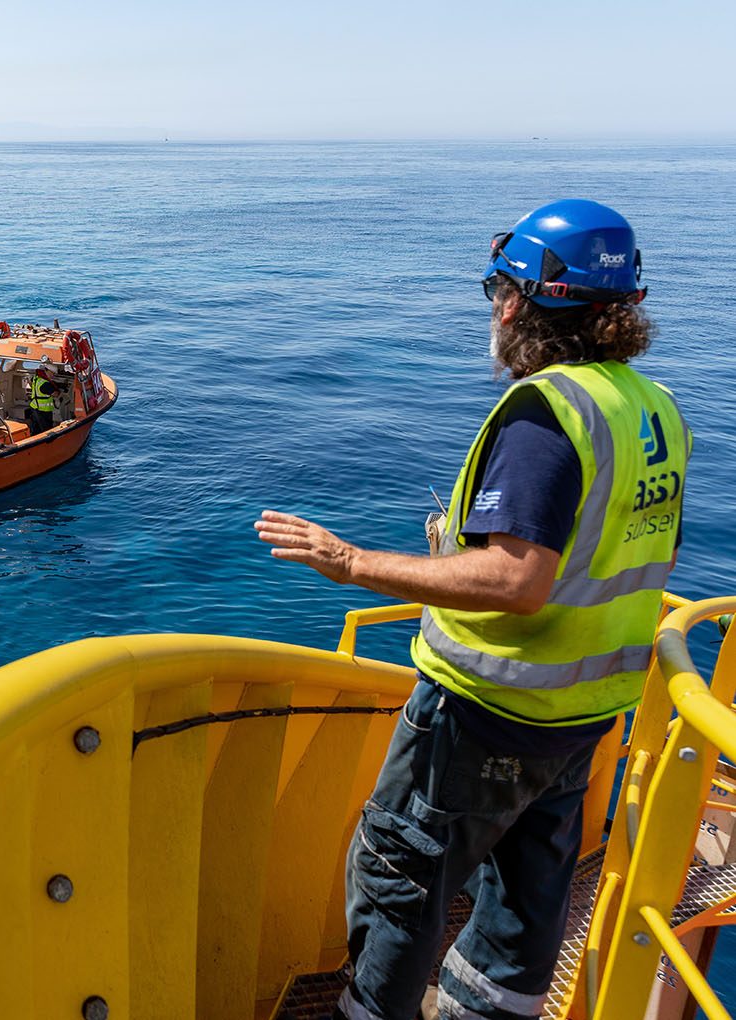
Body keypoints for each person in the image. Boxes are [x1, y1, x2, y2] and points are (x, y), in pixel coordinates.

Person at [254, 199, 690, 1020]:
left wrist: (350, 563)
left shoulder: (545, 416)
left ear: (524, 301)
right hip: (585, 712)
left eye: (498, 289)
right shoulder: (652, 408)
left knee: (400, 875)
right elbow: (637, 552)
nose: (494, 308)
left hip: (488, 710)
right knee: (526, 900)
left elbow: (518, 580)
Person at [25, 365, 66, 435]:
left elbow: (31, 382)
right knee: (46, 430)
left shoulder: (36, 378)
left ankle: (34, 439)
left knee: (36, 428)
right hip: (43, 411)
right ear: (47, 371)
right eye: (52, 373)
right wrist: (61, 392)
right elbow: (56, 394)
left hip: (34, 407)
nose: (53, 376)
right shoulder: (45, 384)